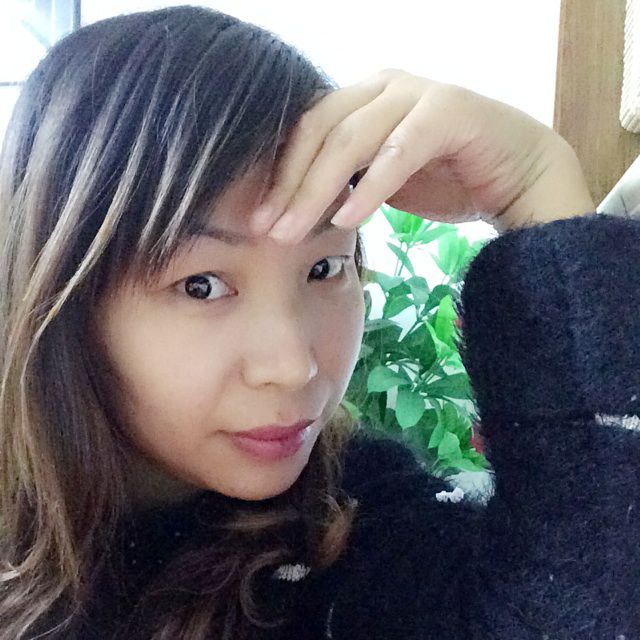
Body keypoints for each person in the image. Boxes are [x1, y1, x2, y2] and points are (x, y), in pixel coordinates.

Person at [0, 5, 637, 639]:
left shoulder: (348, 530)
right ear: (64, 302)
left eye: (325, 268)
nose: (294, 365)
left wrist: (534, 187)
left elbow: (571, 613)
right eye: (202, 285)